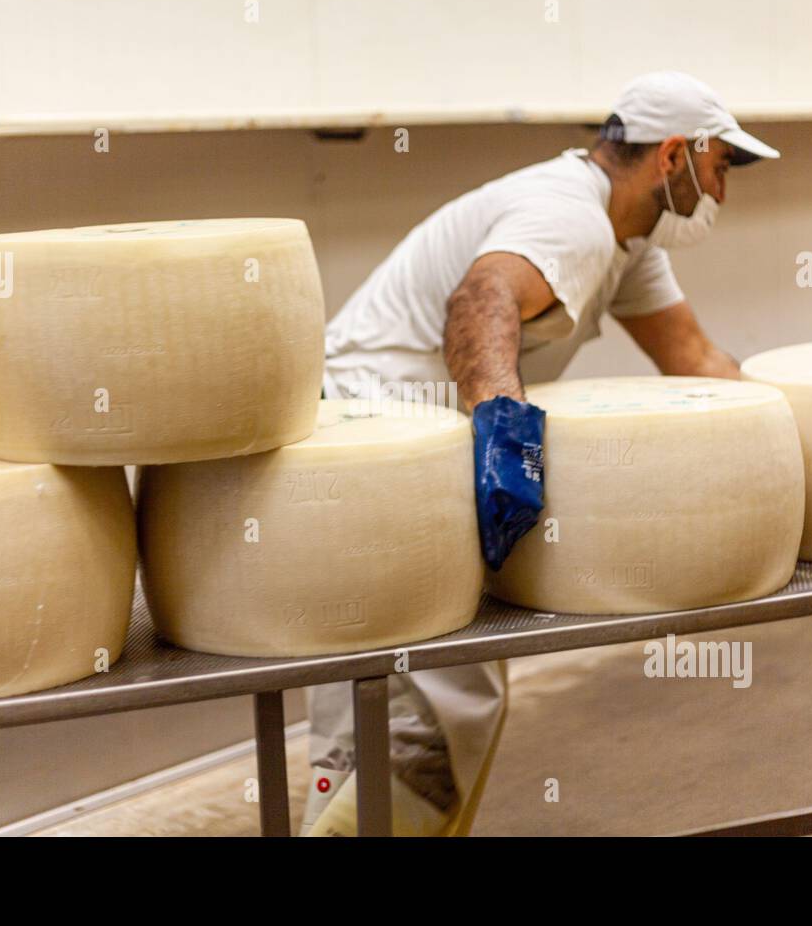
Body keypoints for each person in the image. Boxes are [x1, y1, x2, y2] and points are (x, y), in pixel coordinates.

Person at [301, 71, 780, 836]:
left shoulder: (628, 244)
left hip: (406, 441)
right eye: (720, 164)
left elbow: (693, 356)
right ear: (673, 157)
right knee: (422, 701)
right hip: (367, 444)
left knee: (448, 697)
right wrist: (503, 427)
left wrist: (795, 429)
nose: (724, 185)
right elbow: (482, 297)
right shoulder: (571, 216)